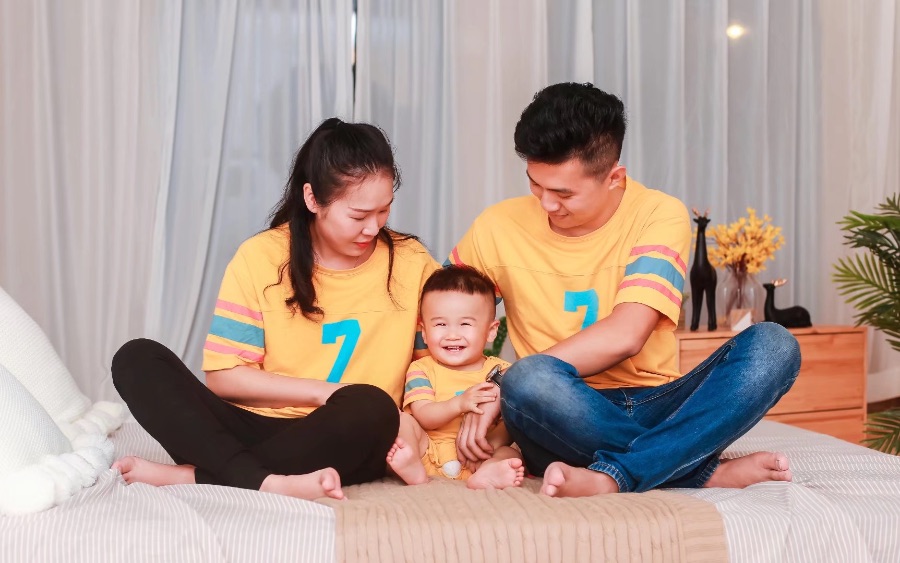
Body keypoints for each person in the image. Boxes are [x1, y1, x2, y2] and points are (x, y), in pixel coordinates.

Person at [447, 83, 801, 498]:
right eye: (536, 184)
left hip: (657, 405)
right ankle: (695, 471)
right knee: (529, 379)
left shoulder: (658, 213)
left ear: (614, 177)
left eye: (563, 193)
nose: (546, 204)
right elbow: (441, 313)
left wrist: (506, 378)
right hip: (555, 415)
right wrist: (490, 387)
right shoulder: (496, 225)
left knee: (775, 345)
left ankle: (617, 473)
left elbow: (627, 334)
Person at [111, 118, 439, 501]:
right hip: (256, 427)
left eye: (384, 211)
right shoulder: (261, 257)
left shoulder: (412, 262)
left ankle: (208, 476)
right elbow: (224, 378)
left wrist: (412, 419)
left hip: (350, 434)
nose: (373, 228)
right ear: (312, 199)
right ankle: (266, 480)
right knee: (136, 358)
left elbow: (435, 366)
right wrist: (326, 393)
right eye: (358, 216)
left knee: (373, 405)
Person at [385, 266, 525, 490]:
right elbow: (424, 415)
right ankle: (414, 468)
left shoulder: (501, 372)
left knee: (510, 452)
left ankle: (490, 473)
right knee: (401, 421)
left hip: (480, 455)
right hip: (430, 452)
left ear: (491, 331)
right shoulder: (421, 369)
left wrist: (486, 445)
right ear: (424, 332)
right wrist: (459, 404)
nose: (452, 335)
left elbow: (509, 423)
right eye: (440, 324)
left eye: (465, 324)